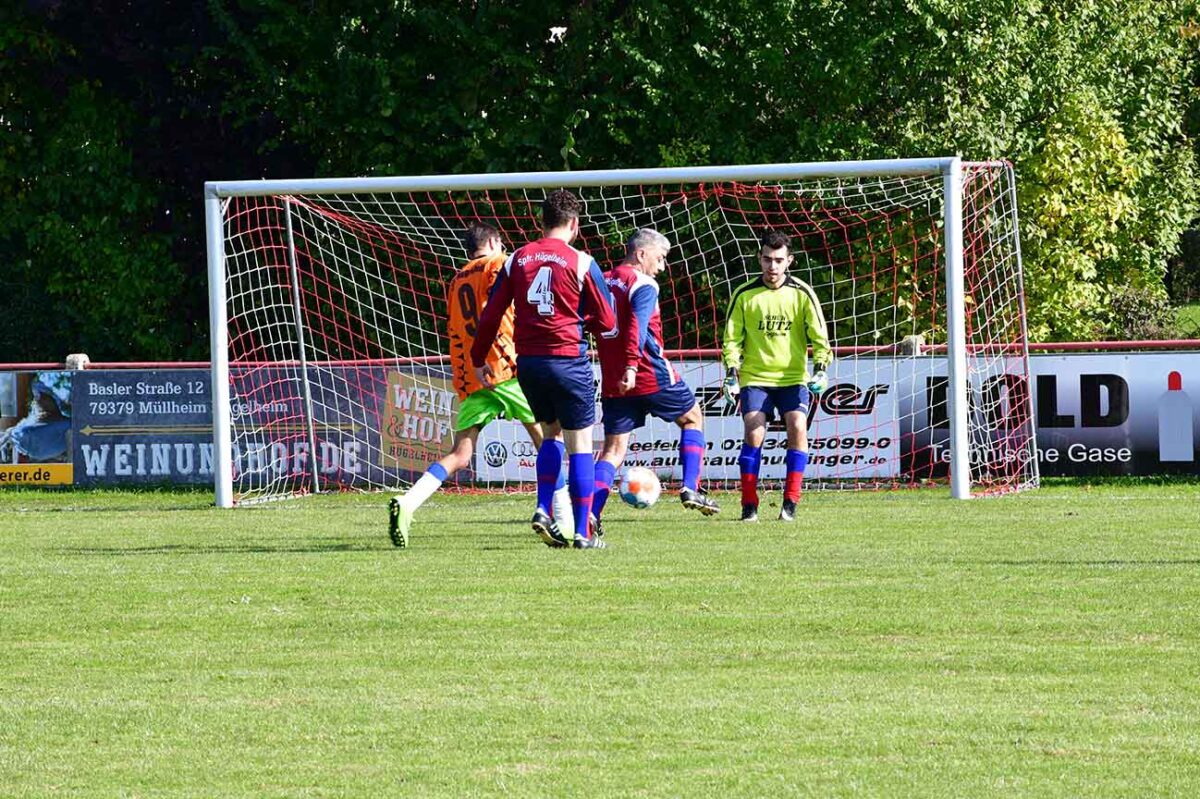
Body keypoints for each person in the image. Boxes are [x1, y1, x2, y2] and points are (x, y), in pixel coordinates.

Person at [387, 222, 572, 547]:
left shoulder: (456, 279)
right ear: (494, 242)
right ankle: (560, 517)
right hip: (503, 365)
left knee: (460, 453)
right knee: (547, 438)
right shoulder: (496, 263)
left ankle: (408, 502)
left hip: (468, 372)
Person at [470, 190, 618, 549]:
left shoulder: (517, 259)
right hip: (568, 360)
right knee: (581, 444)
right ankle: (583, 532)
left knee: (549, 434)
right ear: (574, 224)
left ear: (541, 221)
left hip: (531, 364)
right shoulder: (582, 262)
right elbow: (609, 322)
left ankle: (541, 508)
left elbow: (491, 315)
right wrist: (591, 323)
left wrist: (478, 359)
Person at [590, 228, 720, 535]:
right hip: (647, 371)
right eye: (660, 259)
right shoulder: (643, 283)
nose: (661, 267)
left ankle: (591, 515)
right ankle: (690, 488)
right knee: (692, 418)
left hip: (612, 378)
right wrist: (633, 365)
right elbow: (637, 323)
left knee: (612, 450)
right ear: (641, 254)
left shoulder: (602, 280)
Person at [722, 230, 832, 522]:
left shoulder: (802, 293)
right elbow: (731, 339)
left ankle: (790, 503)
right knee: (754, 430)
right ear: (759, 258)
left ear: (789, 261)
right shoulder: (744, 294)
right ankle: (749, 504)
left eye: (779, 260)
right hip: (755, 377)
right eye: (768, 260)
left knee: (797, 426)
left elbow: (819, 336)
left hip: (793, 378)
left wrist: (821, 369)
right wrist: (731, 373)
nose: (772, 267)